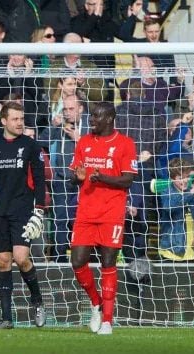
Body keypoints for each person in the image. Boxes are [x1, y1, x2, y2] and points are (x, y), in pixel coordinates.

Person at [0, 101, 47, 329]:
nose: (20, 123)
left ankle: (37, 301)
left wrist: (40, 211)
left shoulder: (32, 146)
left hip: (23, 210)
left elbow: (40, 180)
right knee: (3, 262)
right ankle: (6, 318)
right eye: (15, 119)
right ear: (3, 121)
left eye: (21, 118)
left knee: (22, 258)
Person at [68, 102, 138, 335]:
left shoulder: (125, 144)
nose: (92, 120)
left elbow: (128, 180)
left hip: (111, 214)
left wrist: (102, 178)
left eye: (97, 116)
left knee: (108, 263)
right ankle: (96, 302)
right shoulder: (84, 142)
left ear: (110, 118)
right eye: (91, 116)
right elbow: (75, 178)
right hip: (86, 212)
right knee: (77, 261)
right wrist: (78, 178)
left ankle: (107, 320)